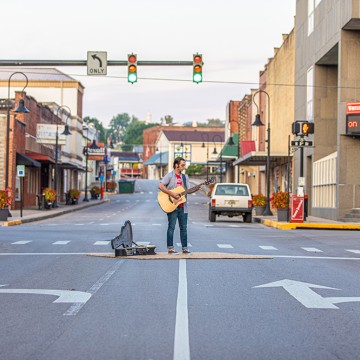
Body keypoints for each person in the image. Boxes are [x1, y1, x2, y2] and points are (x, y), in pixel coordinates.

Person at [158, 157, 201, 254]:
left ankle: (185, 248)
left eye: (184, 165)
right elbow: (160, 186)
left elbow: (188, 190)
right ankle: (170, 248)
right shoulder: (169, 176)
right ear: (176, 165)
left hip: (183, 207)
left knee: (184, 228)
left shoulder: (185, 177)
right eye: (182, 165)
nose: (184, 167)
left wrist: (197, 188)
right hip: (172, 206)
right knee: (171, 227)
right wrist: (172, 194)